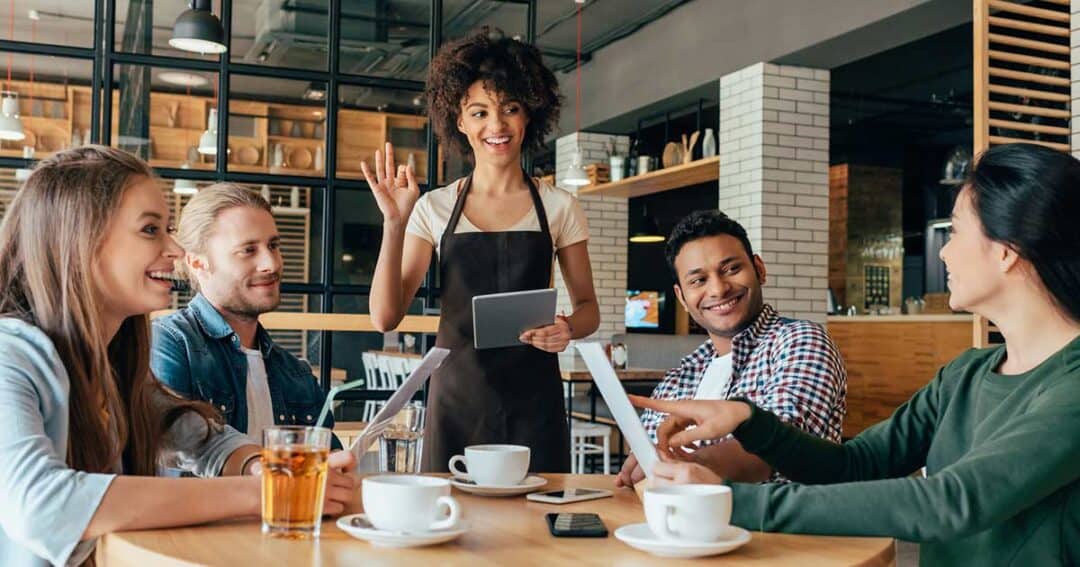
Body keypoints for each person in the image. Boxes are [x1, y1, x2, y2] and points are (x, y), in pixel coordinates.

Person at [631, 143, 1080, 566]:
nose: (943, 249)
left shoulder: (1072, 386)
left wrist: (729, 500)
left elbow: (951, 501)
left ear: (1005, 253)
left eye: (957, 230)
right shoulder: (965, 374)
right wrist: (748, 420)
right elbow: (854, 464)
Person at [0, 146, 355, 567]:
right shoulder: (10, 354)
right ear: (80, 239)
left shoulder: (112, 360)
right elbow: (41, 505)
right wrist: (274, 492)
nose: (174, 248)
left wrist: (263, 467)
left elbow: (197, 435)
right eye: (151, 230)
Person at [366, 28, 600, 473]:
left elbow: (589, 308)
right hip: (458, 398)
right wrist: (394, 224)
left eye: (510, 109)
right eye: (480, 112)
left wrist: (568, 327)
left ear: (529, 114)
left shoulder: (558, 206)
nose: (496, 126)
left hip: (536, 398)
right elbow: (384, 317)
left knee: (537, 528)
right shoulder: (434, 207)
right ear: (459, 120)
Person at [615, 210, 846, 487]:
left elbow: (782, 446)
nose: (718, 289)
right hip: (675, 524)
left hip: (773, 528)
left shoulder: (801, 341)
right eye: (698, 280)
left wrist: (689, 466)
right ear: (682, 297)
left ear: (759, 269)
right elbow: (649, 460)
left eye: (731, 269)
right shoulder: (681, 376)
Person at [152, 183, 339, 448]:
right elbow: (172, 458)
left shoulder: (296, 374)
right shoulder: (170, 342)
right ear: (197, 263)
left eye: (273, 245)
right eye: (248, 250)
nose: (271, 264)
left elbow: (327, 470)